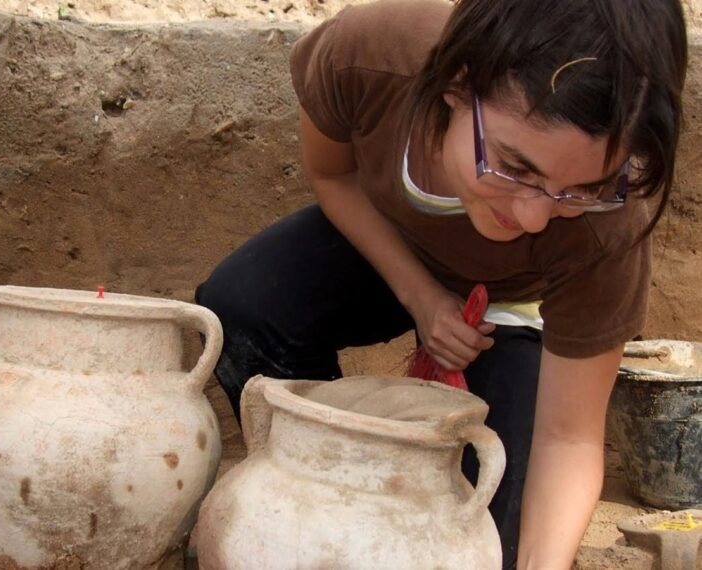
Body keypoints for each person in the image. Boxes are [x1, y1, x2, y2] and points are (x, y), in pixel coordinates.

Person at [195, 0, 688, 567]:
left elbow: (570, 439)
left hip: (517, 308)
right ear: (458, 84)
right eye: (514, 168)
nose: (532, 217)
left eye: (581, 188)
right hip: (390, 244)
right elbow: (334, 174)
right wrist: (421, 297)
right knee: (246, 304)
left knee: (487, 530)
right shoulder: (372, 56)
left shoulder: (609, 222)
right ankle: (313, 479)